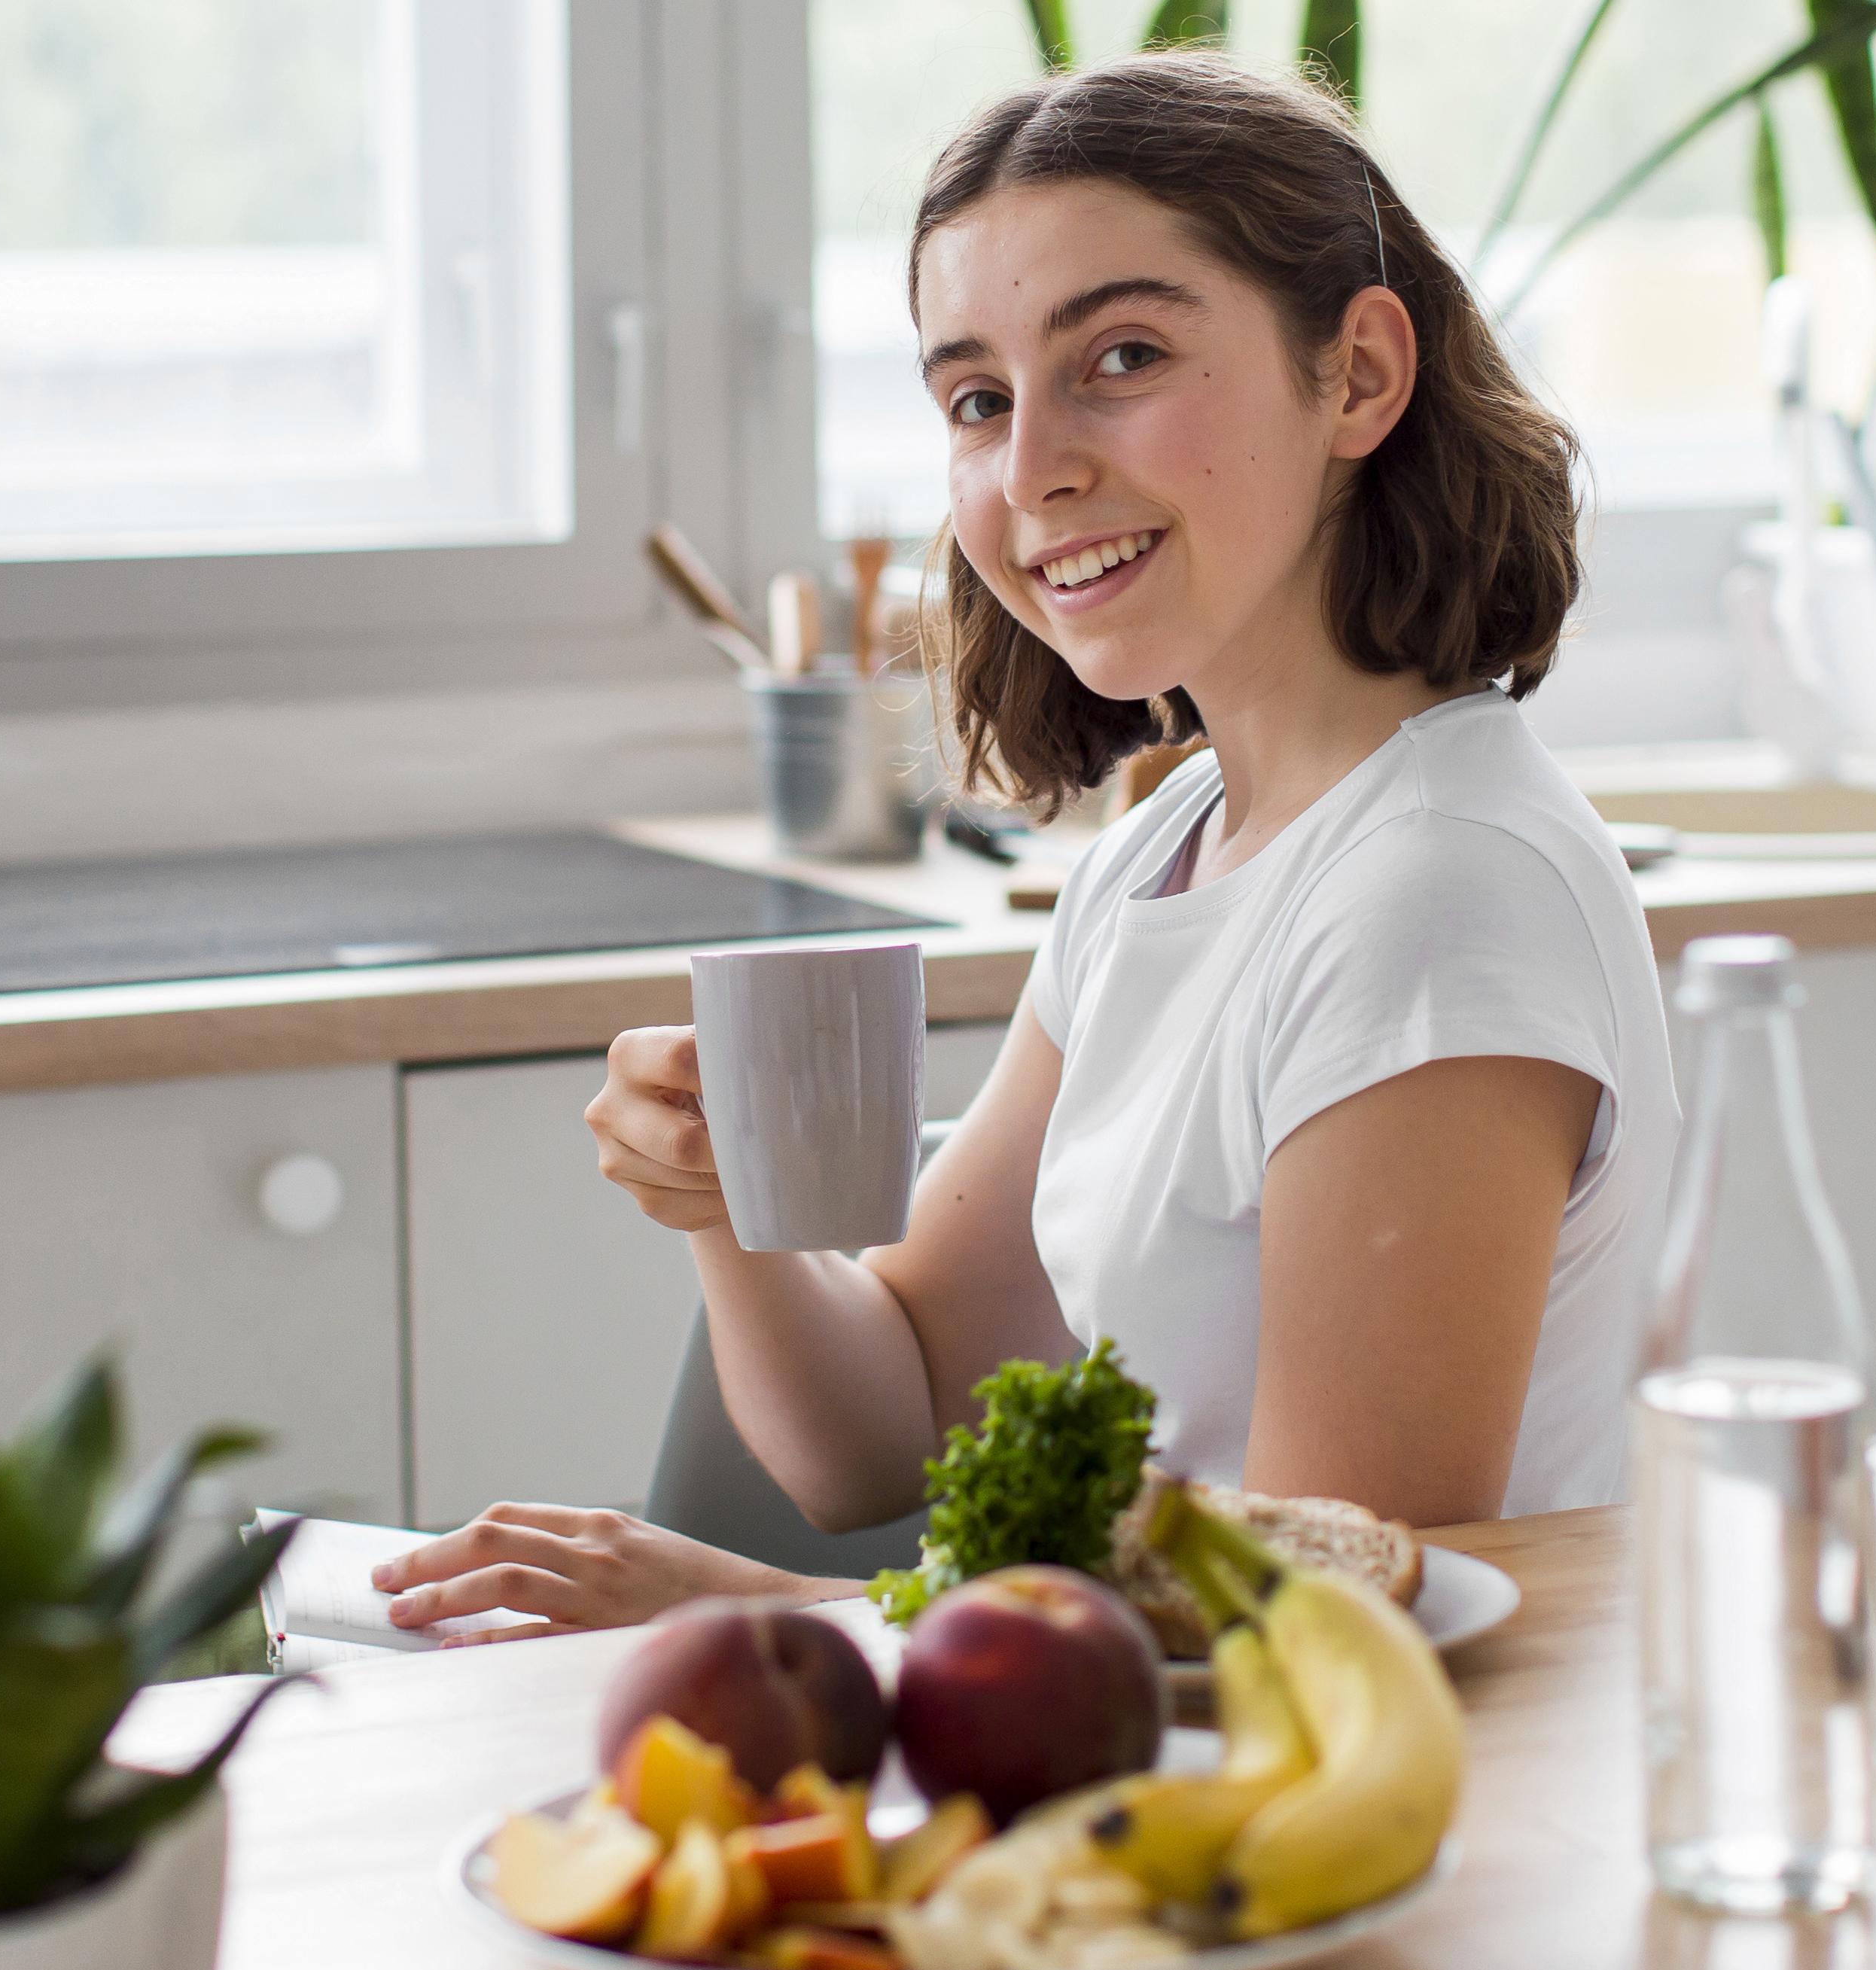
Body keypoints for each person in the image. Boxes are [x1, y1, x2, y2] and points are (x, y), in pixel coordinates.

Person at [373, 53, 1674, 1637]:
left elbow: (1329, 1621)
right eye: (976, 399)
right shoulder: (1170, 854)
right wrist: (730, 1204)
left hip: (1399, 1836)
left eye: (1120, 356)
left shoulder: (1440, 894)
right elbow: (887, 1421)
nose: (1030, 466)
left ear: (1358, 375)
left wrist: (773, 1617)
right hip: (1168, 1786)